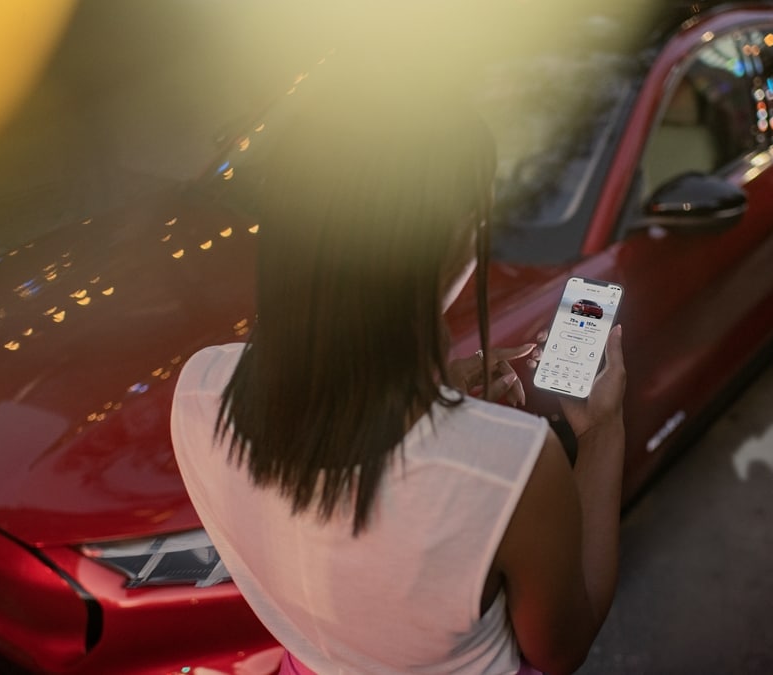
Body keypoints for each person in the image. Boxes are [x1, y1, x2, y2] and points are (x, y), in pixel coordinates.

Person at [170, 70, 626, 675]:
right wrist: (600, 431)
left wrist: (441, 392)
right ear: (456, 243)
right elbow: (562, 651)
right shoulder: (509, 469)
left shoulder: (200, 389)